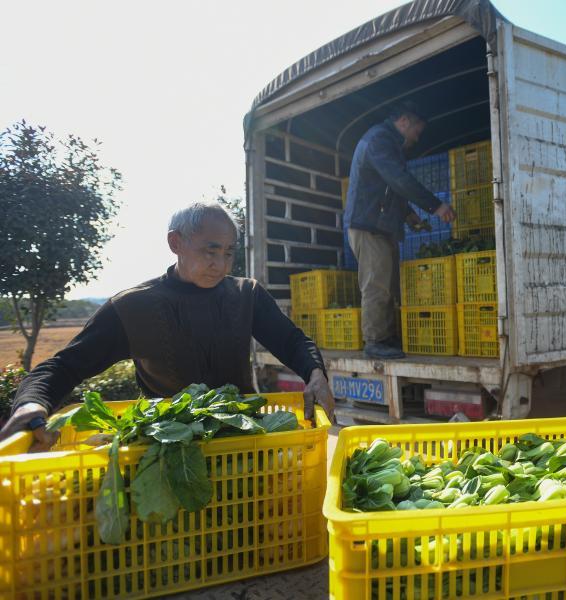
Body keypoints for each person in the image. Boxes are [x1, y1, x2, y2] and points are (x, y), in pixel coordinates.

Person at [0, 202, 335, 450]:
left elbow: (291, 341)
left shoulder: (245, 294)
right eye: (210, 250)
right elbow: (64, 366)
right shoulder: (133, 307)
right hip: (168, 449)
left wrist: (314, 372)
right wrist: (32, 402)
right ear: (176, 243)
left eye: (229, 253)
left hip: (244, 440)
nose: (220, 264)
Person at [345, 101, 456, 359]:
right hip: (369, 225)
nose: (418, 137)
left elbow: (389, 186)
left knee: (387, 283)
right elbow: (399, 180)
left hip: (380, 225)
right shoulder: (380, 140)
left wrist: (408, 214)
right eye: (418, 129)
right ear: (404, 121)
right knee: (376, 284)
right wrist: (435, 205)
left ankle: (387, 337)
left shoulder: (387, 142)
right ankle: (375, 341)